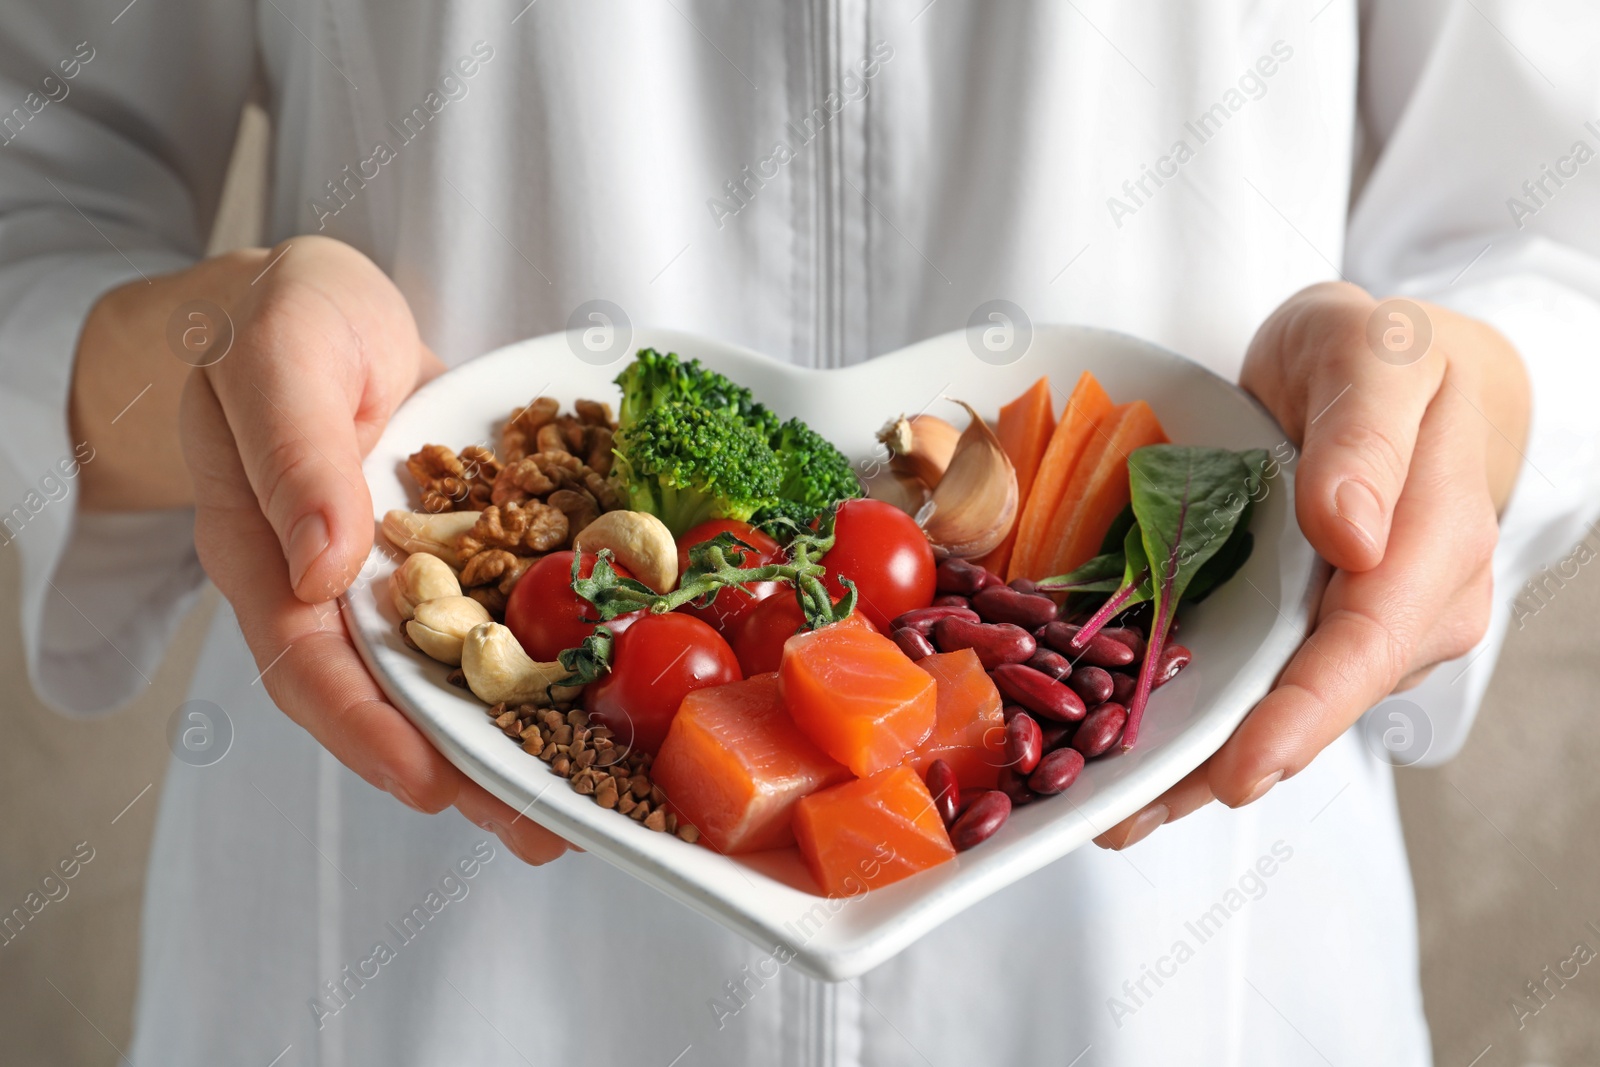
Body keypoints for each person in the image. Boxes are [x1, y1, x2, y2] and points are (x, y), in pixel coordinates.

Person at [3, 1, 1597, 1063]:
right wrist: (214, 354)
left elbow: (1556, 222)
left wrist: (1467, 397)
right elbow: (32, 205)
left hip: (1178, 921)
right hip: (420, 913)